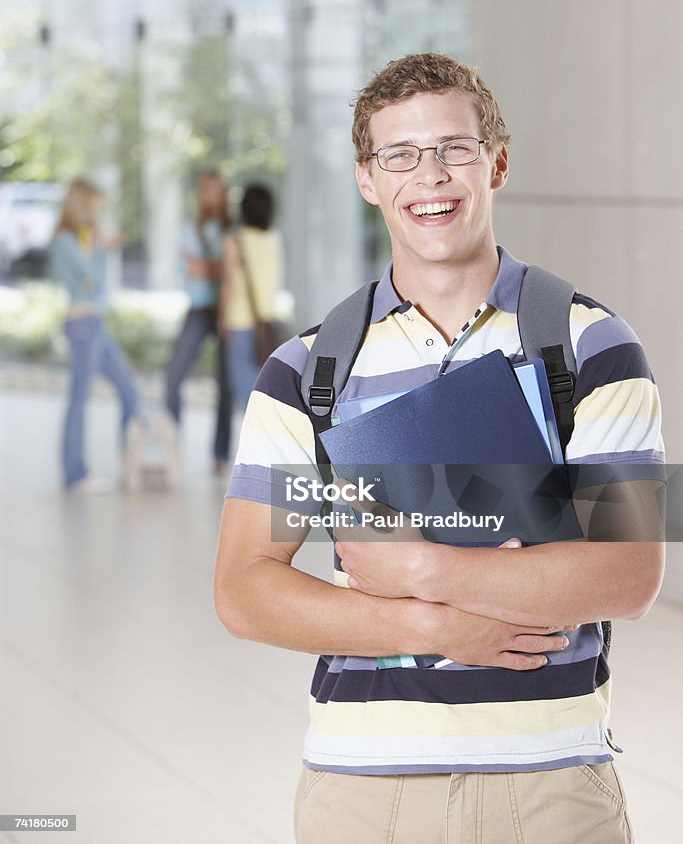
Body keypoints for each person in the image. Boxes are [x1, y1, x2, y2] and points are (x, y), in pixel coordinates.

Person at [213, 54, 664, 843]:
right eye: (400, 154)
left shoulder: (591, 346)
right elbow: (243, 590)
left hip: (552, 784)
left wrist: (423, 571)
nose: (430, 175)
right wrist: (429, 627)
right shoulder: (306, 372)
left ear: (496, 161)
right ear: (366, 178)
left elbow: (629, 575)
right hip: (361, 792)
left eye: (453, 148)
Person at [51, 178, 139, 494]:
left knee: (130, 391)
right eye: (95, 205)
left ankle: (132, 462)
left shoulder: (87, 238)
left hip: (97, 324)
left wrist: (99, 247)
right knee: (79, 398)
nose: (98, 211)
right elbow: (92, 279)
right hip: (81, 326)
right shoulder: (65, 241)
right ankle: (74, 474)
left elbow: (96, 284)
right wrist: (102, 250)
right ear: (82, 205)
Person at [165, 169, 232, 475]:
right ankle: (170, 444)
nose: (212, 197)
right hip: (197, 310)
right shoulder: (192, 229)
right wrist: (212, 267)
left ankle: (219, 453)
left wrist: (204, 266)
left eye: (217, 190)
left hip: (225, 313)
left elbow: (223, 273)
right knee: (173, 376)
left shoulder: (233, 229)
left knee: (225, 385)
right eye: (208, 190)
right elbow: (186, 269)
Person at [219, 183, 283, 413]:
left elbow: (228, 284)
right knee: (262, 393)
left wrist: (222, 319)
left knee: (243, 392)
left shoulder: (235, 240)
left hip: (239, 322)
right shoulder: (274, 238)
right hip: (266, 323)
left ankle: (251, 447)